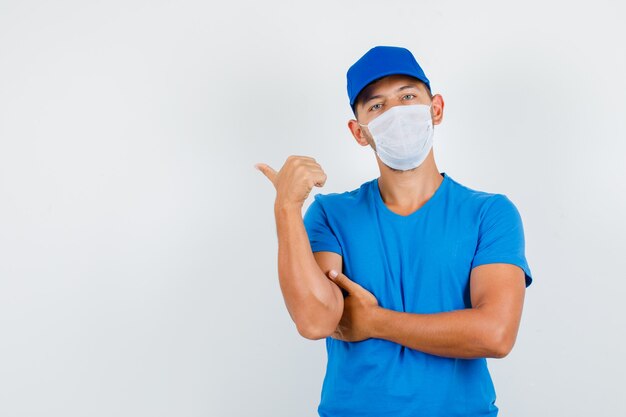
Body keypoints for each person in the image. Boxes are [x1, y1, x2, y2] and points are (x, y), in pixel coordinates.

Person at [255, 45, 533, 417]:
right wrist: (286, 208)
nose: (397, 114)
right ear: (359, 132)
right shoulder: (332, 214)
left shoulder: (489, 213)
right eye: (377, 106)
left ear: (435, 109)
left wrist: (374, 321)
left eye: (407, 96)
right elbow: (315, 320)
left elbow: (496, 333)